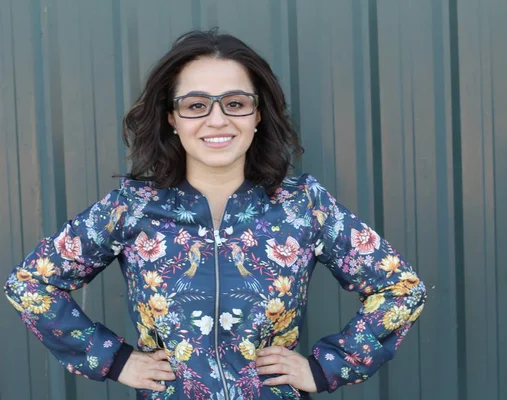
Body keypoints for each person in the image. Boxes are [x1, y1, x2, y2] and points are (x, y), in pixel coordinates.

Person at [3, 29, 426, 400]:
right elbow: (31, 284)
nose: (217, 120)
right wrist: (115, 361)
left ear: (258, 114)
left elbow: (401, 290)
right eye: (196, 105)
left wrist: (324, 367)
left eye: (236, 103)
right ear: (172, 117)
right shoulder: (131, 208)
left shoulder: (303, 207)